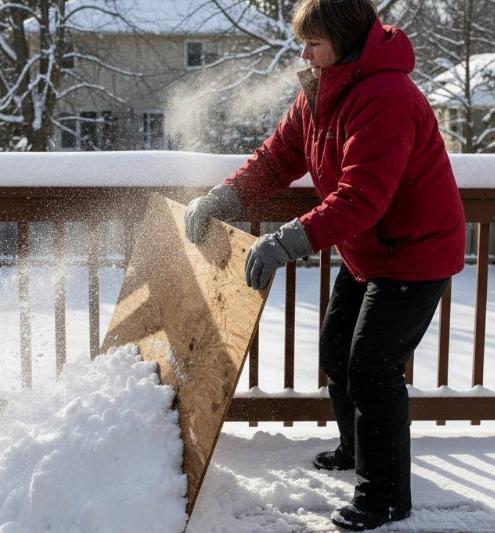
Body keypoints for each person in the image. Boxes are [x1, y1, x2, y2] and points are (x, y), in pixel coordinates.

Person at [184, 0, 465, 530]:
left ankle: (383, 498)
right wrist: (224, 199)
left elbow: (362, 197)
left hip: (414, 252)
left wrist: (284, 242)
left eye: (313, 42)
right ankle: (358, 451)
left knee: (372, 366)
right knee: (338, 350)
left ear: (343, 38)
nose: (303, 52)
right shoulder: (321, 89)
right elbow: (278, 158)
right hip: (368, 251)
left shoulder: (386, 96)